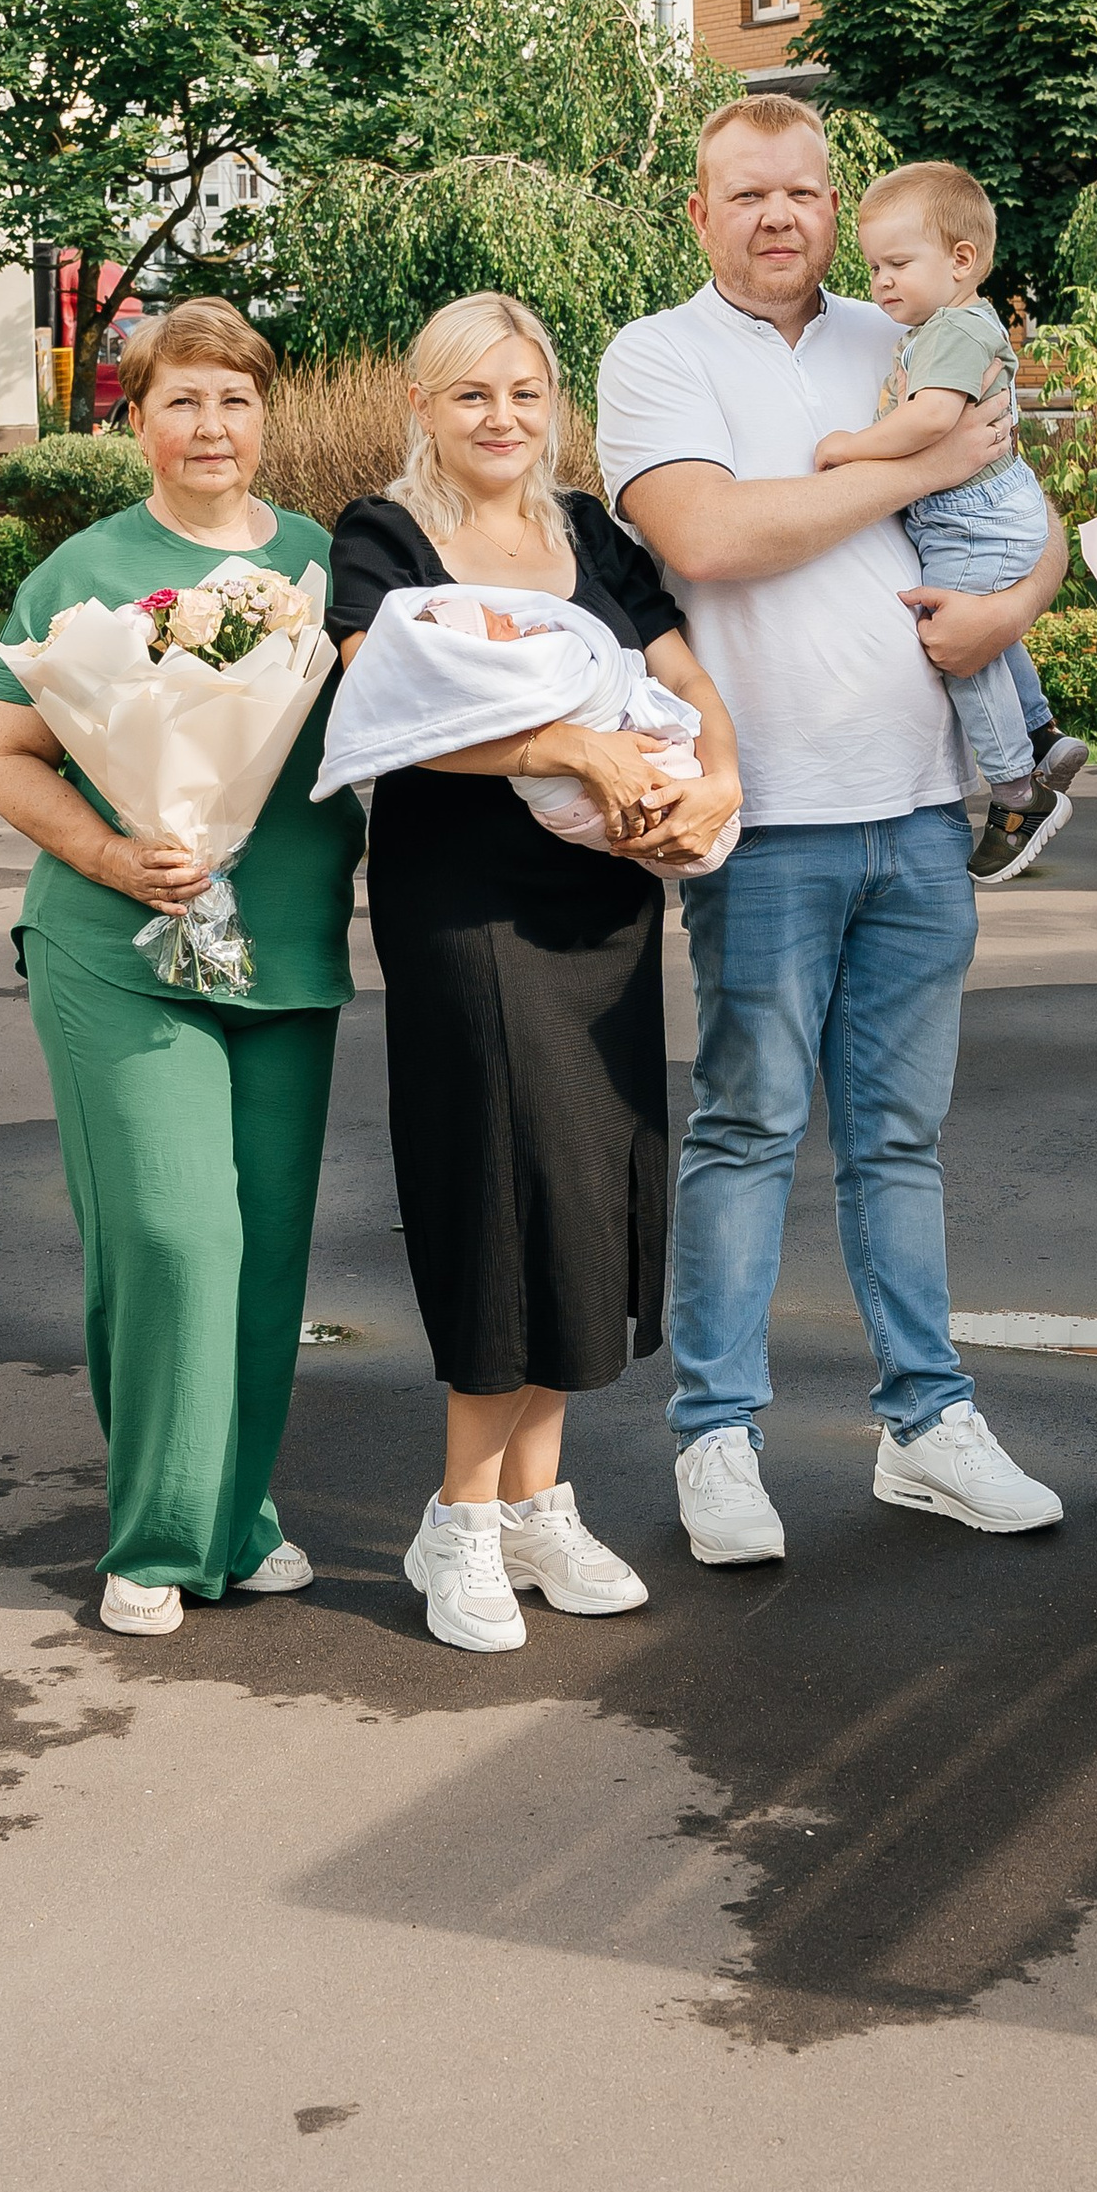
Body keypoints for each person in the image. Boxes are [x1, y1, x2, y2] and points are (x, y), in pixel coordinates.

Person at [599, 96, 1075, 1571]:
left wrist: (1014, 604)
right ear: (700, 213)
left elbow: (1031, 511)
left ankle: (929, 1428)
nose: (782, 218)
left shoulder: (904, 328)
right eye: (748, 195)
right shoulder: (657, 355)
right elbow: (709, 538)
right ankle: (719, 1437)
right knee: (746, 1128)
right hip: (768, 821)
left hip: (922, 808)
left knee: (900, 1140)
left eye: (804, 190)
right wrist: (916, 470)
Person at [327, 293, 742, 1657]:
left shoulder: (594, 534)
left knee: (586, 1174)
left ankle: (537, 1502)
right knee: (496, 1177)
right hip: (464, 902)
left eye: (524, 392)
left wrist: (719, 775)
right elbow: (379, 715)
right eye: (471, 396)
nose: (503, 418)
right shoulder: (382, 537)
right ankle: (455, 1519)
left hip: (601, 894)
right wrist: (573, 748)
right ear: (421, 407)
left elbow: (685, 670)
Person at [0, 299, 362, 1641]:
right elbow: (9, 757)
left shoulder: (323, 564)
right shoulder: (83, 569)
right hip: (116, 950)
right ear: (133, 417)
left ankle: (238, 1517)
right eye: (182, 400)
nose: (211, 426)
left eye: (236, 399)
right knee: (172, 1237)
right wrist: (107, 848)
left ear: (269, 415)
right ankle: (156, 1534)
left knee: (263, 1256)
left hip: (289, 950)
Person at [812, 157, 1086, 886]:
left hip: (975, 520)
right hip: (979, 516)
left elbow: (930, 417)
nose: (882, 283)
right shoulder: (943, 325)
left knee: (957, 646)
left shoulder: (954, 330)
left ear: (962, 260)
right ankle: (1041, 733)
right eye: (873, 267)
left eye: (898, 263)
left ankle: (1017, 794)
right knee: (986, 631)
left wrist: (849, 447)